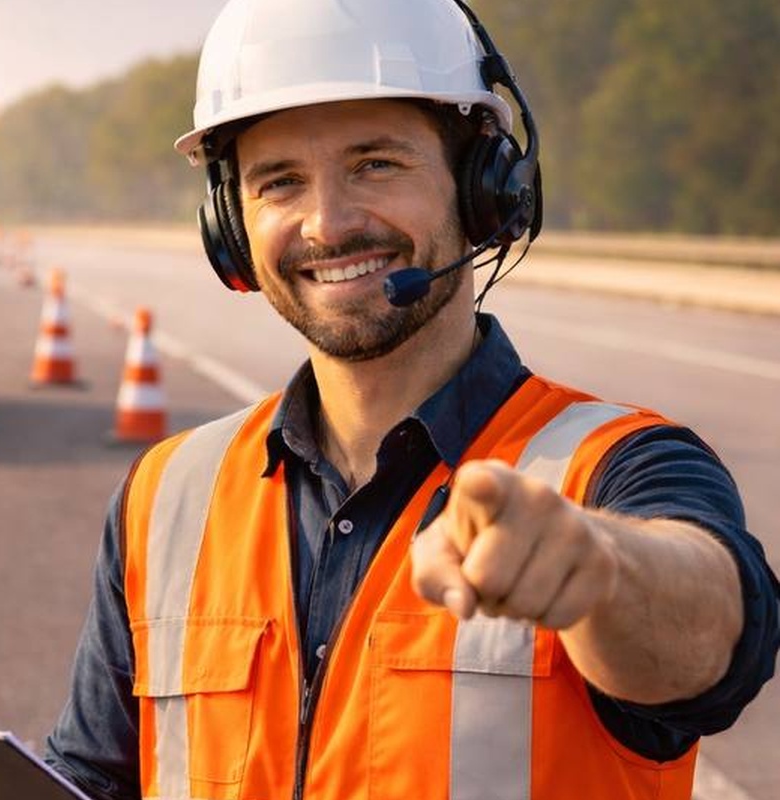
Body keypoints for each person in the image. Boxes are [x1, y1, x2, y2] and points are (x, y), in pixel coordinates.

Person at [45, 0, 780, 798]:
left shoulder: (612, 469)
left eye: (376, 164)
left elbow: (715, 633)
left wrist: (598, 567)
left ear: (483, 191)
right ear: (231, 226)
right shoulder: (166, 495)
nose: (327, 224)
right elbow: (90, 776)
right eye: (279, 181)